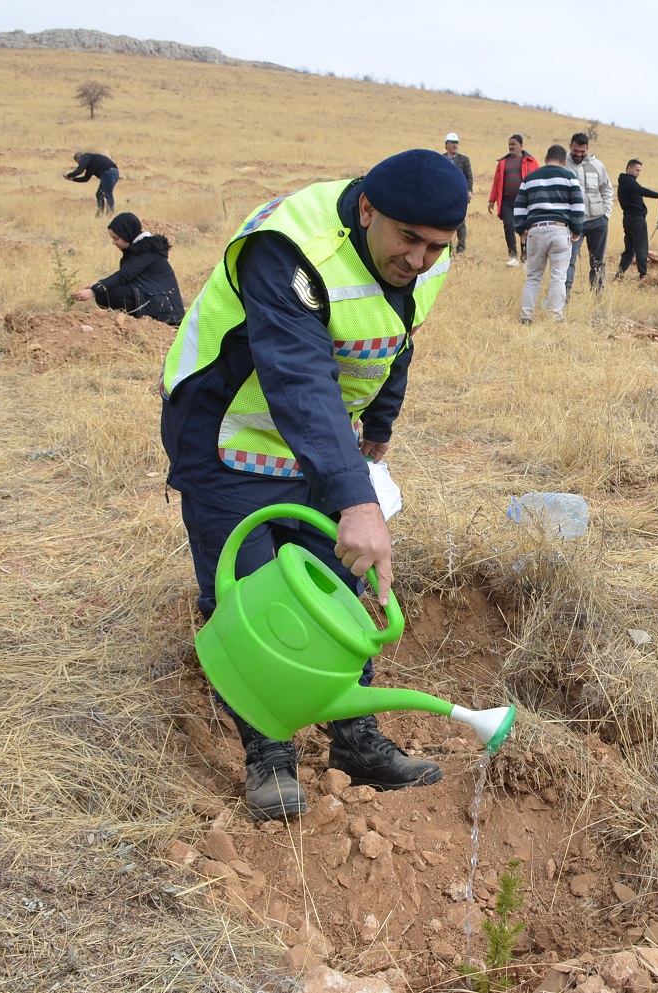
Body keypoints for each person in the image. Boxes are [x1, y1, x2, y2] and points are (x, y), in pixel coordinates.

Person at [159, 149, 466, 821]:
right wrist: (355, 498)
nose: (419, 259)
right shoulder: (289, 249)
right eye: (408, 238)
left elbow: (397, 334)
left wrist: (379, 421)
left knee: (340, 591)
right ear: (366, 211)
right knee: (249, 593)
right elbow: (296, 375)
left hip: (322, 443)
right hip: (226, 432)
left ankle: (353, 739)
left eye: (436, 246)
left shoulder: (428, 259)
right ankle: (269, 752)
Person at [70, 213, 185, 325]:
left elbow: (124, 275)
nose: (114, 243)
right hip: (151, 296)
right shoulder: (136, 249)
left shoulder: (148, 250)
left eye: (117, 238)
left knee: (112, 295)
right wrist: (98, 285)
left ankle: (145, 323)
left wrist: (94, 290)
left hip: (166, 309)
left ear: (127, 234)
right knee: (104, 295)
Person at [514, 145, 583, 323]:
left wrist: (522, 230)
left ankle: (526, 316)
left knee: (533, 276)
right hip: (560, 230)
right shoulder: (569, 177)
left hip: (535, 230)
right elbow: (577, 206)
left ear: (545, 159)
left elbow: (520, 207)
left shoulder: (529, 179)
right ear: (564, 162)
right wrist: (577, 230)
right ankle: (555, 317)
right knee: (558, 277)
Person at [563, 133, 614, 297]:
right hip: (572, 223)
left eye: (582, 151)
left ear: (587, 149)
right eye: (576, 150)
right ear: (570, 145)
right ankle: (565, 295)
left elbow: (607, 190)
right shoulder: (562, 164)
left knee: (598, 262)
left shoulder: (597, 165)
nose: (578, 154)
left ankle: (597, 297)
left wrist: (606, 214)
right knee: (568, 260)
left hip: (597, 221)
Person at [487, 135, 538, 266]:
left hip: (524, 201)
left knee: (524, 229)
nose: (510, 147)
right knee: (508, 226)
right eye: (509, 144)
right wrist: (492, 200)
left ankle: (525, 258)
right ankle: (512, 256)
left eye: (513, 144)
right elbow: (496, 182)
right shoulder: (503, 162)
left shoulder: (531, 161)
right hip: (506, 201)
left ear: (521, 145)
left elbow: (538, 180)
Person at [615, 159, 658, 280]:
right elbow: (642, 190)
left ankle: (619, 276)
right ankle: (644, 276)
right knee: (641, 248)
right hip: (636, 219)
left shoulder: (623, 182)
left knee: (629, 251)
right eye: (637, 170)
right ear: (629, 169)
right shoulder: (630, 182)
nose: (638, 173)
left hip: (628, 219)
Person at [442, 132, 473, 254]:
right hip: (444, 195)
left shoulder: (464, 160)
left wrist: (469, 191)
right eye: (452, 143)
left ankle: (461, 247)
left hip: (459, 195)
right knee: (444, 220)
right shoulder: (441, 159)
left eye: (456, 143)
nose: (455, 145)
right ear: (446, 145)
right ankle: (447, 247)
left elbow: (469, 177)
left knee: (460, 220)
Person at [63, 151, 120, 216]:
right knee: (99, 194)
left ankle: (109, 214)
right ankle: (100, 214)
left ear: (79, 158)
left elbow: (79, 170)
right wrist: (73, 179)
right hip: (110, 173)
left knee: (107, 193)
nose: (79, 164)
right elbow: (85, 179)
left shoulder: (85, 156)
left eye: (78, 162)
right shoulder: (90, 166)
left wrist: (68, 175)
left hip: (108, 172)